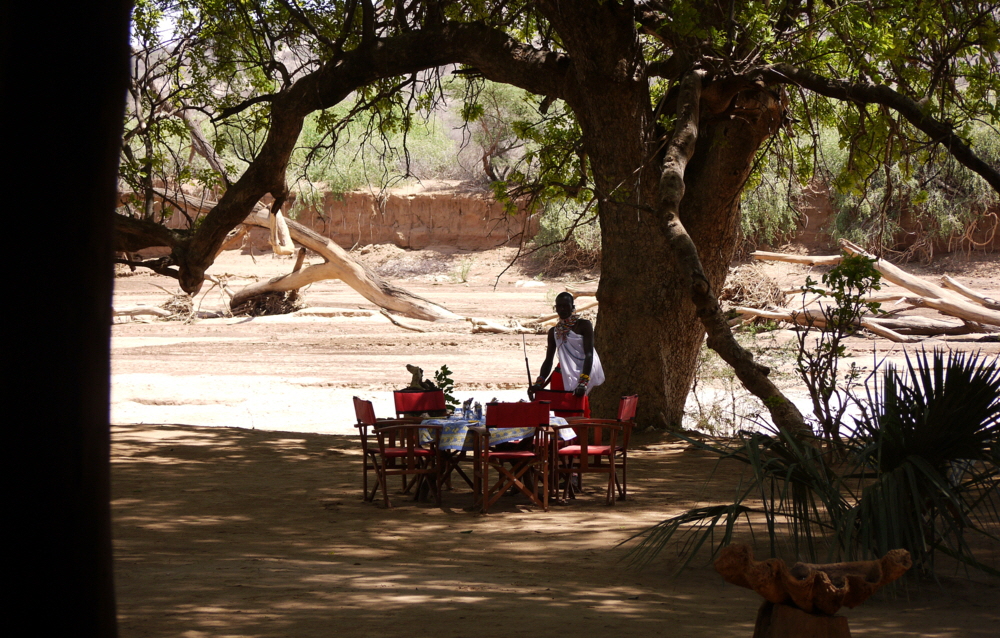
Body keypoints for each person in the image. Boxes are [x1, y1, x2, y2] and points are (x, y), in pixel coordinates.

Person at [530, 292, 605, 399]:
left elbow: (589, 354)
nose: (562, 309)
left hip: (584, 374)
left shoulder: (583, 325)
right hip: (560, 377)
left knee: (578, 413)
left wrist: (583, 382)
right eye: (559, 306)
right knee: (560, 413)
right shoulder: (554, 332)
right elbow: (548, 360)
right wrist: (539, 382)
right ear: (555, 308)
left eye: (566, 306)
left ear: (572, 307)